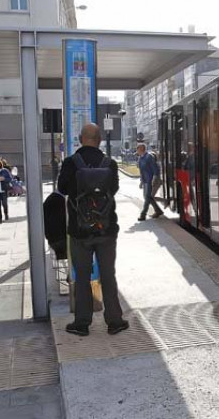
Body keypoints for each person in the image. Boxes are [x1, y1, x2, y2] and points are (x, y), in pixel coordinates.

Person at [58, 123, 128, 337]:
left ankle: (82, 323)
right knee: (108, 275)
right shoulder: (110, 163)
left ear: (80, 139)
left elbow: (62, 189)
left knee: (82, 277)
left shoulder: (71, 163)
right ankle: (114, 321)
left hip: (79, 231)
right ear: (99, 140)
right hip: (106, 230)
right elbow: (113, 189)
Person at [137, 142, 163, 221]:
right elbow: (141, 171)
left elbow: (155, 168)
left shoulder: (149, 157)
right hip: (145, 180)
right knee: (147, 197)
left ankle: (143, 214)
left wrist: (154, 178)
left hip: (150, 180)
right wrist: (141, 181)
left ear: (141, 149)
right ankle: (158, 210)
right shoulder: (141, 158)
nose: (137, 151)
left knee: (147, 197)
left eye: (137, 149)